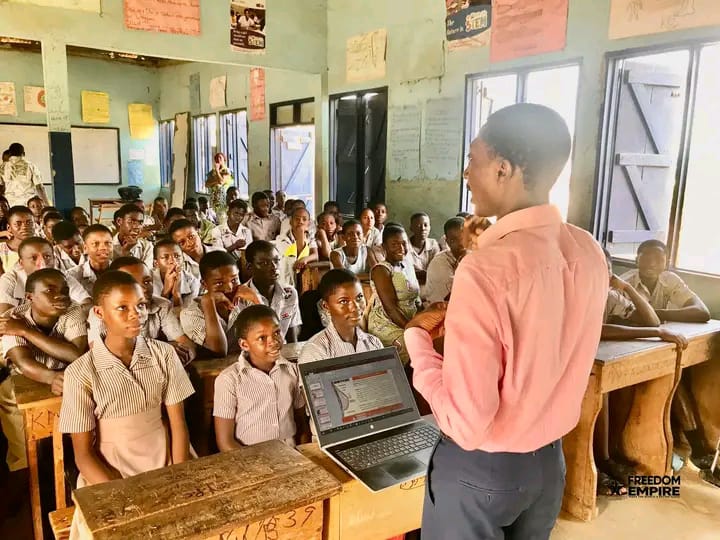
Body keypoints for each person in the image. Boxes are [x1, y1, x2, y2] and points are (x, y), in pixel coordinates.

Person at [403, 104, 608, 539]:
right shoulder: (589, 252)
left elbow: (466, 420)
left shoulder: (485, 271)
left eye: (472, 160)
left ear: (502, 169)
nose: (466, 173)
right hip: (548, 464)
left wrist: (417, 343)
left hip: (481, 470)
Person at [58, 270, 195, 493]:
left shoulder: (164, 354)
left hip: (167, 456)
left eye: (140, 305)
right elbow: (83, 455)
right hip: (111, 470)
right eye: (122, 308)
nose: (136, 314)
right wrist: (122, 493)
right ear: (99, 312)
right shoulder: (81, 372)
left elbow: (178, 424)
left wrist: (176, 475)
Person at [594, 249, 688, 495]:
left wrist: (625, 287)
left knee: (626, 383)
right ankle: (600, 461)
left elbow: (651, 321)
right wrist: (655, 334)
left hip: (598, 360)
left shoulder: (610, 295)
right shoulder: (575, 292)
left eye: (607, 269)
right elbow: (597, 329)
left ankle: (610, 456)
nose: (603, 274)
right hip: (566, 362)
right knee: (600, 387)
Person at [0, 268, 88, 473]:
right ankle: (24, 477)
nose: (60, 295)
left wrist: (25, 330)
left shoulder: (72, 310)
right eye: (50, 290)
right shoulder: (11, 317)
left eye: (65, 290)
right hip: (23, 382)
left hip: (63, 378)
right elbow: (23, 363)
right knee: (25, 445)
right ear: (30, 297)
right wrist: (52, 377)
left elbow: (76, 354)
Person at [213, 304, 309, 451]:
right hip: (248, 459)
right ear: (244, 344)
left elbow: (301, 423)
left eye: (277, 332)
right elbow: (225, 442)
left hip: (292, 454)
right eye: (262, 338)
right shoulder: (229, 380)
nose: (274, 341)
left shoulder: (292, 371)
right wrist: (253, 469)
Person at [86, 256, 196, 364]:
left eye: (147, 282)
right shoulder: (103, 313)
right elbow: (100, 356)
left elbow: (187, 346)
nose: (143, 288)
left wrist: (182, 355)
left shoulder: (161, 305)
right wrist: (164, 350)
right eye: (132, 283)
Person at [181, 251, 259, 357]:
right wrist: (208, 303)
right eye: (219, 283)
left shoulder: (245, 300)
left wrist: (256, 298)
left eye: (234, 279)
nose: (229, 288)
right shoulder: (191, 313)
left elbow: (272, 336)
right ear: (204, 284)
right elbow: (219, 350)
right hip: (213, 370)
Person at [620, 240, 711, 323]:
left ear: (666, 264)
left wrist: (651, 314)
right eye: (646, 259)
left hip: (661, 334)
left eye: (659, 259)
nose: (652, 264)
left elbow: (702, 312)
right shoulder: (623, 284)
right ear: (636, 261)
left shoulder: (669, 279)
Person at [368, 224, 420, 362]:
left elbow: (416, 300)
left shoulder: (407, 266)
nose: (401, 248)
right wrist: (412, 329)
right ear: (384, 246)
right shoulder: (381, 270)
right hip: (387, 323)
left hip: (410, 319)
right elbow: (391, 309)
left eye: (404, 243)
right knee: (414, 344)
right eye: (395, 244)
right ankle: (406, 381)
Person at [0, 237, 90, 313]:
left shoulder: (63, 277)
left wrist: (66, 315)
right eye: (34, 258)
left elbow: (88, 304)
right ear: (21, 263)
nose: (43, 264)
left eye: (47, 257)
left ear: (54, 259)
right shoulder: (10, 280)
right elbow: (4, 319)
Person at [243, 241, 302, 343]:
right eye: (264, 263)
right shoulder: (241, 297)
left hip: (282, 352)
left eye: (277, 260)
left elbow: (292, 333)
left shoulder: (290, 293)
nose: (274, 267)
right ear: (249, 267)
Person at [422, 217, 468, 304]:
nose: (461, 244)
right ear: (447, 241)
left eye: (464, 238)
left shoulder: (472, 257)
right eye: (454, 240)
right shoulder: (439, 263)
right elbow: (453, 298)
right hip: (440, 311)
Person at [275, 206, 318, 288]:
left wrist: (305, 259)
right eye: (297, 219)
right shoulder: (282, 239)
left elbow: (315, 255)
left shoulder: (310, 237)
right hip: (286, 278)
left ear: (308, 223)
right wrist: (301, 233)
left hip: (303, 277)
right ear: (291, 222)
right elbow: (296, 256)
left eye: (304, 219)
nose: (300, 222)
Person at [152, 239, 201, 309]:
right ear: (156, 263)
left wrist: (177, 293)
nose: (173, 261)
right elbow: (155, 314)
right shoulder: (149, 279)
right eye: (166, 257)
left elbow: (187, 315)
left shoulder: (192, 281)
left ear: (183, 259)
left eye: (177, 256)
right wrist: (166, 291)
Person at [68, 224, 113, 296]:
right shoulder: (72, 276)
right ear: (85, 248)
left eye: (108, 243)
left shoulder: (122, 271)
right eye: (95, 244)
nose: (103, 248)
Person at [1, 143, 49, 208]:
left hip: (9, 204)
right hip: (28, 204)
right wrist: (47, 205)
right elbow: (39, 187)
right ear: (23, 153)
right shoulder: (31, 166)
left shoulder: (2, 167)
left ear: (9, 154)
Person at [0, 205, 35, 274]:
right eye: (18, 224)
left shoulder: (42, 247)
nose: (24, 227)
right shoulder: (1, 250)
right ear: (9, 227)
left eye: (29, 223)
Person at [408, 212, 440, 284]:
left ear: (430, 228)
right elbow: (406, 271)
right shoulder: (405, 246)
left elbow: (436, 268)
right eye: (418, 225)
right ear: (411, 228)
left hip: (431, 284)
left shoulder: (433, 244)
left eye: (426, 225)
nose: (423, 228)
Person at [206, 153, 233, 223]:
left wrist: (217, 171)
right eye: (216, 158)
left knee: (222, 216)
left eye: (220, 158)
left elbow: (221, 181)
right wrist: (216, 180)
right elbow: (207, 184)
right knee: (213, 216)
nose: (218, 160)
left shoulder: (227, 171)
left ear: (224, 159)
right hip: (213, 198)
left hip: (223, 198)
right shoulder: (212, 172)